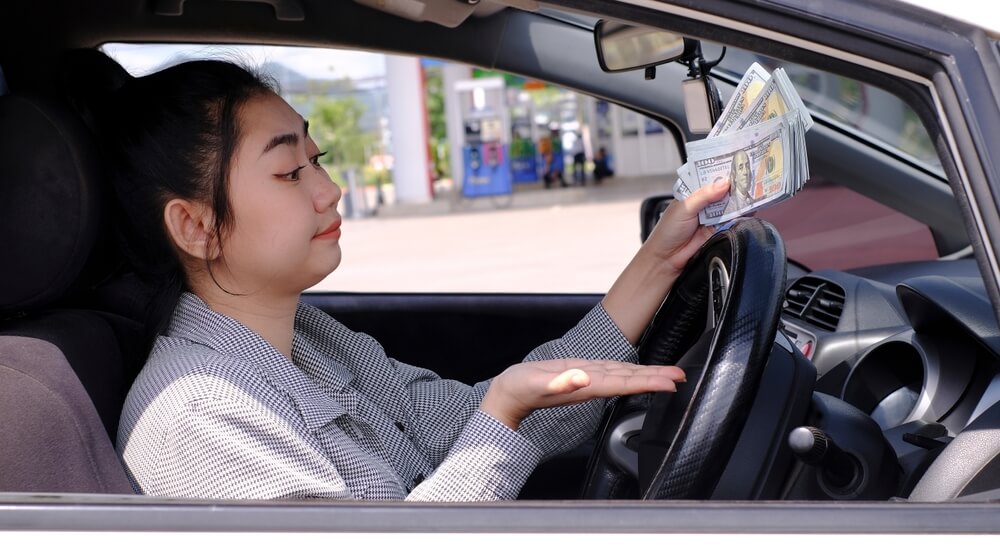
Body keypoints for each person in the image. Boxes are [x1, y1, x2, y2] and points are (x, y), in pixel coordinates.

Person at [105, 60, 731, 501]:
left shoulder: (311, 339)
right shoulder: (202, 416)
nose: (330, 190)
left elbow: (462, 428)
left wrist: (658, 262)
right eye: (290, 173)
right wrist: (504, 408)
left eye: (316, 160)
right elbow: (490, 425)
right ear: (196, 226)